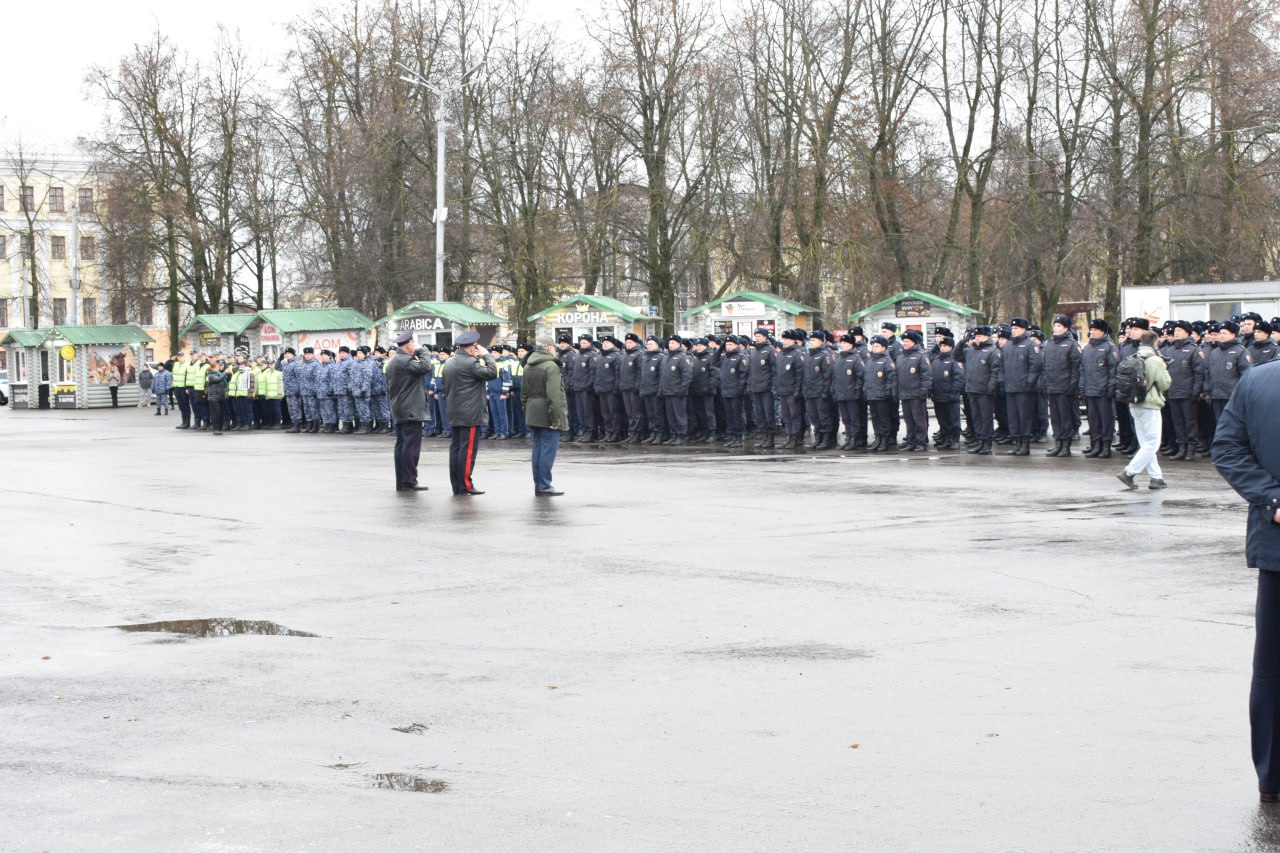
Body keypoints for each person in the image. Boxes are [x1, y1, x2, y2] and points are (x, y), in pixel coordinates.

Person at [1210, 357, 1280, 803]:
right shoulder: (1260, 380)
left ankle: (1273, 776)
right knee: (1273, 667)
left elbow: (1228, 449)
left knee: (1273, 666)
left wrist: (1271, 499)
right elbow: (1227, 447)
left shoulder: (1258, 378)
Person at [442, 331, 498, 496]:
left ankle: (457, 484)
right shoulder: (470, 363)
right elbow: (492, 373)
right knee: (467, 451)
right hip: (470, 413)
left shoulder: (449, 362)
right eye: (476, 346)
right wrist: (487, 356)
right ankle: (465, 485)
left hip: (454, 410)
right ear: (472, 347)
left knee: (456, 449)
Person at [1115, 330, 1172, 490]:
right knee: (1153, 443)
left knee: (1146, 442)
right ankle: (1129, 472)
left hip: (1134, 403)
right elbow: (1164, 384)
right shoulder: (1155, 360)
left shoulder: (1134, 356)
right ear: (1156, 342)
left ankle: (1156, 477)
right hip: (1150, 404)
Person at [385, 330, 433, 491]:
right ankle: (409, 481)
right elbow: (426, 366)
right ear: (408, 345)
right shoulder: (404, 360)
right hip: (410, 409)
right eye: (413, 343)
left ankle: (403, 480)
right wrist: (422, 350)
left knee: (402, 446)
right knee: (410, 448)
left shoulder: (394, 360)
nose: (415, 346)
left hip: (402, 408)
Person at [522, 339, 570, 496]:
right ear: (549, 348)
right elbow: (554, 396)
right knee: (547, 450)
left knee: (537, 450)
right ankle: (544, 485)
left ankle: (539, 484)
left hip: (533, 411)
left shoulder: (528, 365)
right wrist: (556, 419)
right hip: (547, 413)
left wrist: (528, 411)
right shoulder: (551, 366)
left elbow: (524, 394)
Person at [205, 360, 229, 435]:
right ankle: (215, 429)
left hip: (221, 397)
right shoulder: (210, 375)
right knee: (216, 414)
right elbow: (218, 380)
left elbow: (226, 380)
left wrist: (228, 374)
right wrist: (225, 373)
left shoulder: (219, 374)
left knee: (221, 413)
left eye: (219, 367)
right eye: (217, 367)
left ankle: (220, 428)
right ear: (212, 368)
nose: (218, 368)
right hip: (214, 397)